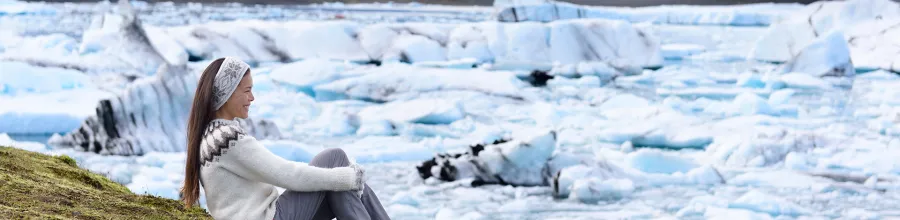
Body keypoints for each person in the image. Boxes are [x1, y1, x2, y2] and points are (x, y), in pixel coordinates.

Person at [181, 57, 390, 220]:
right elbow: (287, 175)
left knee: (343, 181)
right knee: (335, 160)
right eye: (247, 91)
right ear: (227, 93)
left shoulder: (211, 135)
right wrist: (348, 177)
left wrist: (347, 180)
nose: (252, 98)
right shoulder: (225, 139)